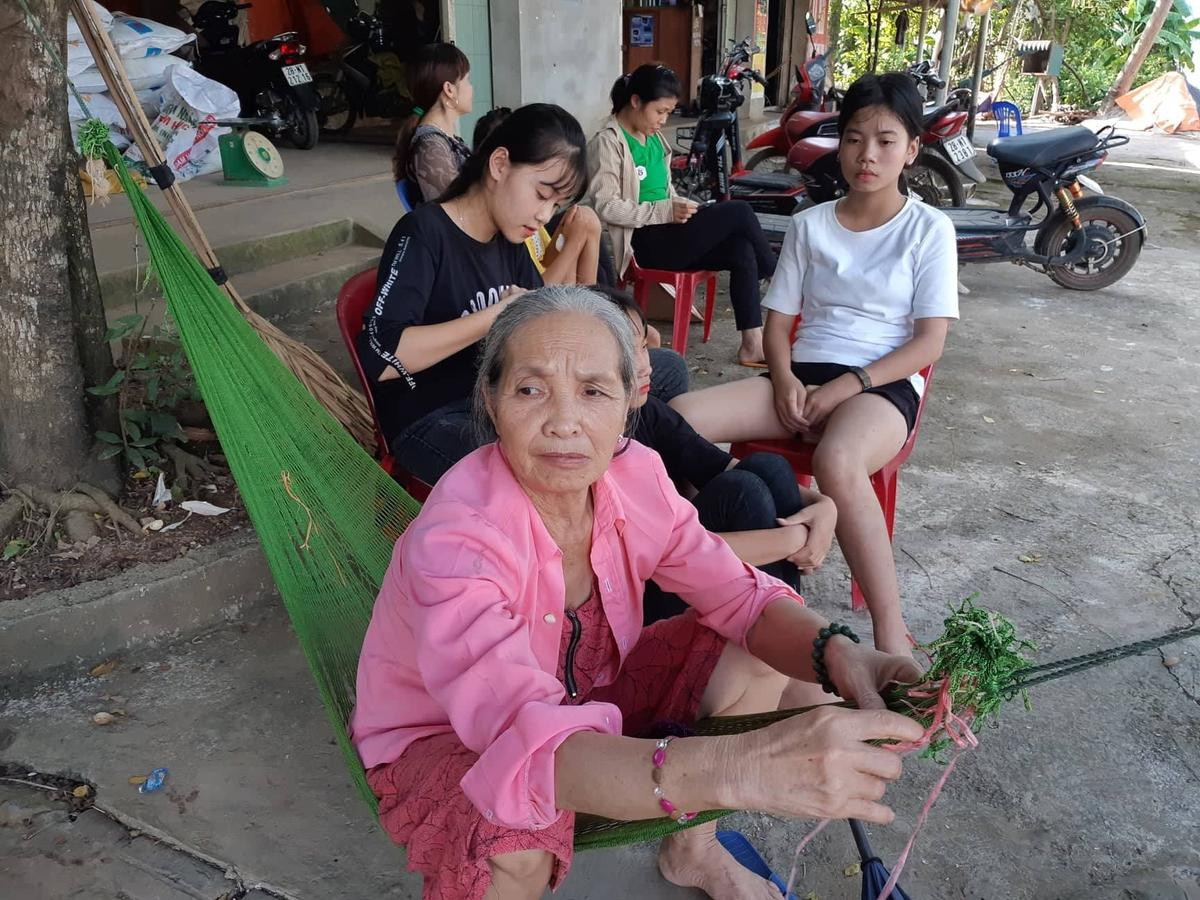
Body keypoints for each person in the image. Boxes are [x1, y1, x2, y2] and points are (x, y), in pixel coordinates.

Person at [351, 285, 925, 900]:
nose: (564, 421)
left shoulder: (635, 474)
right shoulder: (460, 538)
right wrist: (739, 769)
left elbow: (741, 599)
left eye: (594, 391)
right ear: (489, 402)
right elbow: (525, 738)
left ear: (631, 402)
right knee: (513, 846)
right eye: (529, 388)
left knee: (747, 644)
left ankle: (692, 851)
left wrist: (840, 653)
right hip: (448, 736)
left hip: (589, 688)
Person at [669, 73, 959, 657]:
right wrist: (783, 381)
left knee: (837, 458)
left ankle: (889, 629)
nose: (867, 155)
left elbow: (928, 343)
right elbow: (777, 325)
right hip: (801, 377)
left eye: (885, 140)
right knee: (676, 417)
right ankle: (701, 569)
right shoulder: (810, 224)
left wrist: (850, 385)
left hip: (881, 385)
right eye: (854, 139)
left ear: (912, 149)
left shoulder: (929, 229)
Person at [360, 104, 585, 487]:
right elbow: (381, 356)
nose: (545, 214)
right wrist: (496, 316)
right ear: (499, 165)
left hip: (498, 401)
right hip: (430, 415)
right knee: (542, 469)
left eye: (556, 204)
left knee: (650, 385)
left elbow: (534, 316)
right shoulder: (424, 233)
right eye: (541, 194)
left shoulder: (511, 234)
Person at [592, 284, 837, 625]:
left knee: (768, 467)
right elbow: (670, 555)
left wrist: (823, 506)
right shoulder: (592, 446)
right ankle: (778, 628)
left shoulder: (645, 413)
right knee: (743, 493)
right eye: (628, 353)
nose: (646, 365)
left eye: (644, 346)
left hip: (678, 563)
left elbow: (720, 464)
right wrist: (793, 538)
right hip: (634, 599)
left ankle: (782, 621)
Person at [586, 64, 778, 367]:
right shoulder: (608, 143)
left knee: (741, 249)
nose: (663, 121)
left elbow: (665, 192)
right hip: (645, 243)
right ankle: (779, 278)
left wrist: (681, 205)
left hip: (671, 234)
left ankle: (751, 345)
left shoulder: (654, 141)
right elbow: (605, 206)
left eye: (668, 113)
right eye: (659, 112)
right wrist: (664, 210)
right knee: (739, 211)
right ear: (635, 101)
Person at [391, 43, 474, 204]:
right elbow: (456, 214)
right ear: (449, 90)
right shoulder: (431, 147)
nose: (471, 88)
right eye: (467, 80)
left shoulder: (443, 139)